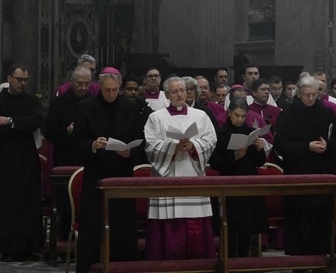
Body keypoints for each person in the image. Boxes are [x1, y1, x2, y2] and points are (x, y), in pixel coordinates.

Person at [71, 67, 145, 273]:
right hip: (96, 174)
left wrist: (129, 153)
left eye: (114, 90)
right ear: (99, 87)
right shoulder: (85, 107)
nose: (111, 94)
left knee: (123, 227)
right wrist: (93, 145)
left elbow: (140, 142)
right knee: (93, 226)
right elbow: (76, 142)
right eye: (106, 90)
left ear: (119, 87)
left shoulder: (130, 108)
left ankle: (123, 267)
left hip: (122, 175)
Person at [144, 76, 218, 260]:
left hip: (193, 174)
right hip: (167, 177)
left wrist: (193, 146)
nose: (180, 94)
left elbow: (211, 140)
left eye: (183, 90)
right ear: (167, 95)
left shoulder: (200, 116)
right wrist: (173, 147)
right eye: (175, 91)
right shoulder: (156, 117)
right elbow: (151, 145)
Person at [273, 76, 336, 256]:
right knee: (300, 224)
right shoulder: (287, 115)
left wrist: (327, 145)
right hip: (299, 178)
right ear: (298, 93)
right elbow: (280, 146)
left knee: (323, 222)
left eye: (315, 94)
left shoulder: (327, 113)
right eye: (307, 95)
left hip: (324, 176)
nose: (311, 98)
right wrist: (307, 147)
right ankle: (299, 264)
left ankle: (323, 261)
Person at [0, 65, 44, 261]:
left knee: (27, 203)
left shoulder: (31, 100)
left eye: (26, 80)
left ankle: (28, 247)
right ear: (9, 78)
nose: (23, 83)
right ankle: (8, 248)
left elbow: (36, 120)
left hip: (27, 160)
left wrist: (11, 121)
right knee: (7, 204)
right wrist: (20, 124)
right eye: (20, 79)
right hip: (5, 160)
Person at [208, 100, 268, 257]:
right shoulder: (221, 134)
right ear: (229, 113)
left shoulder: (250, 132)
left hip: (249, 182)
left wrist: (259, 149)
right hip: (230, 182)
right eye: (236, 115)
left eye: (243, 116)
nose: (239, 119)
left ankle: (243, 260)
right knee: (231, 225)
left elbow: (260, 162)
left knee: (248, 225)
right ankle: (230, 260)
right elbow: (215, 163)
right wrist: (234, 156)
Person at [46, 65, 94, 236]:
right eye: (79, 83)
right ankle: (64, 240)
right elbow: (49, 132)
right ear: (72, 82)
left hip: (88, 158)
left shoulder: (94, 102)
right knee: (66, 205)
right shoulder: (59, 103)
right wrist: (66, 131)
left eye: (87, 84)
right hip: (66, 157)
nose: (83, 88)